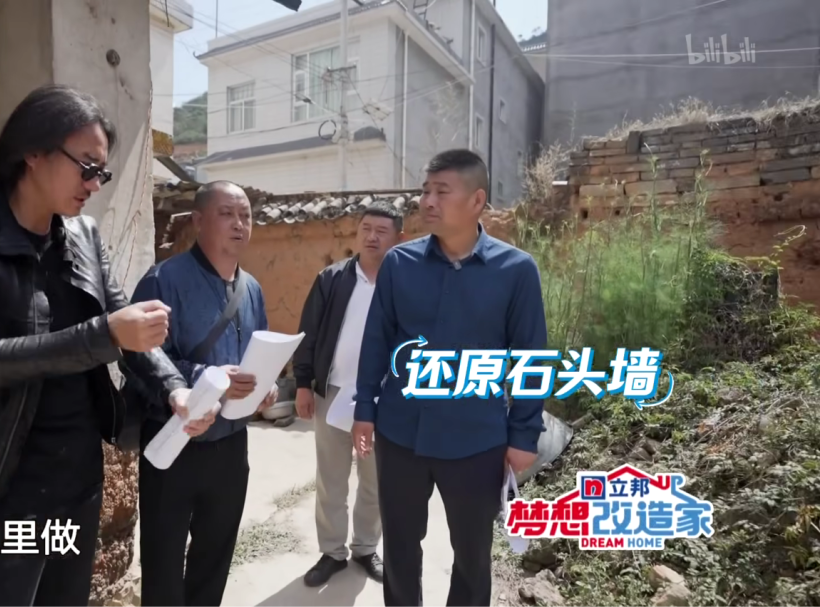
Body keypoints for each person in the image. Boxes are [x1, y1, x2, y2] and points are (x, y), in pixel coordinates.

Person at [0, 84, 212, 606]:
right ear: (33, 151)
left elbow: (128, 327)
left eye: (102, 173)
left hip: (78, 478)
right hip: (2, 485)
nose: (94, 184)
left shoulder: (82, 235)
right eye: (87, 167)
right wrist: (104, 334)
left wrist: (174, 389)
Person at [350, 149, 548, 607]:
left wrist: (523, 434)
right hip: (402, 433)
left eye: (442, 191)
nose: (428, 201)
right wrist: (365, 408)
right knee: (400, 547)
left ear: (477, 200)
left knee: (473, 554)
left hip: (476, 440)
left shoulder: (516, 271)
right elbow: (378, 339)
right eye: (425, 191)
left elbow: (531, 358)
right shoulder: (400, 264)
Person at [132, 180, 279, 606]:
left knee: (215, 556)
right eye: (227, 214)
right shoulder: (164, 280)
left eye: (246, 216)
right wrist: (205, 375)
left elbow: (257, 356)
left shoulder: (252, 289)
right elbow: (139, 357)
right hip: (174, 438)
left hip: (231, 445)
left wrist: (264, 388)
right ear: (198, 221)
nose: (239, 224)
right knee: (163, 559)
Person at [291, 202, 405, 587]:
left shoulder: (404, 283)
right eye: (365, 229)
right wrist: (303, 383)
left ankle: (365, 548)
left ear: (398, 238)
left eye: (381, 231)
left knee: (375, 479)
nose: (371, 237)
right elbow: (308, 332)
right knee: (332, 478)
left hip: (384, 398)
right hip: (333, 392)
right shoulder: (333, 278)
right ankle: (332, 552)